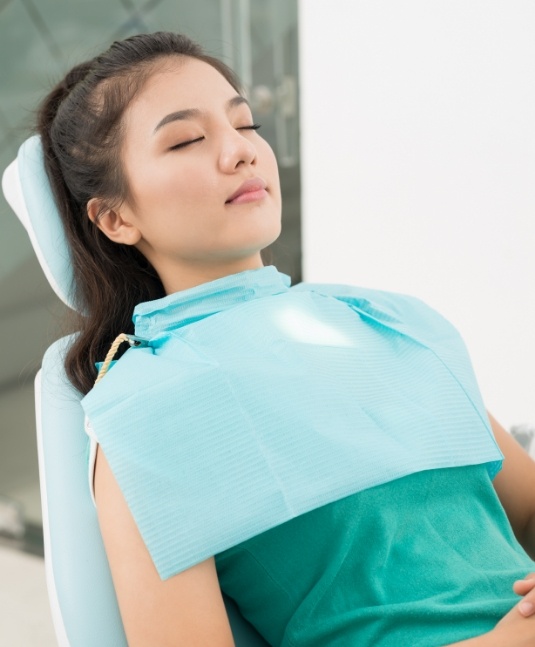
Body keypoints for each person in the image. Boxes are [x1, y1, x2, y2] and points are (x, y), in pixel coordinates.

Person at [35, 31, 535, 646]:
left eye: (246, 126)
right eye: (188, 139)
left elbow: (526, 509)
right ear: (116, 217)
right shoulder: (150, 406)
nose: (241, 153)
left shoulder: (388, 320)